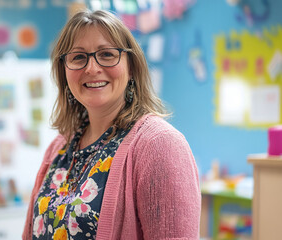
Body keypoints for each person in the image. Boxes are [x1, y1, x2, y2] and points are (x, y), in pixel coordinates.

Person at [22, 9, 201, 240]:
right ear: (63, 72)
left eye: (107, 54)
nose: (92, 68)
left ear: (132, 67)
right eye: (78, 57)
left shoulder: (160, 145)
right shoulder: (59, 148)